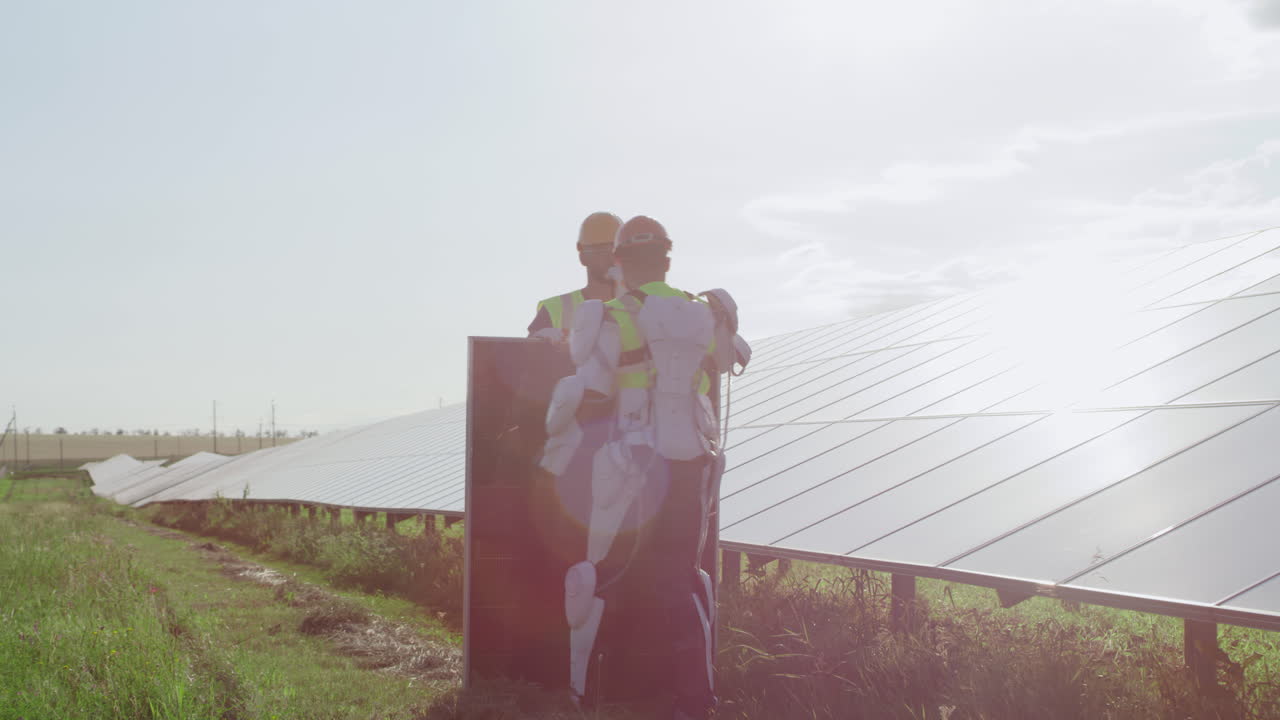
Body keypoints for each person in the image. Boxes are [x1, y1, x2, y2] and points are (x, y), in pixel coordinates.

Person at [541, 215, 751, 720]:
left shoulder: (611, 314)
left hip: (631, 461)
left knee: (600, 573)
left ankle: (585, 693)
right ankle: (694, 702)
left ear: (620, 263)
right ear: (667, 259)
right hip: (694, 464)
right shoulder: (708, 312)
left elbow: (591, 392)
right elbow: (731, 361)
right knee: (682, 578)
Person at [528, 212, 623, 340]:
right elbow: (524, 357)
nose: (609, 258)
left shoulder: (641, 307)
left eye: (614, 250)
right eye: (600, 249)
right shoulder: (555, 309)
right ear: (582, 254)